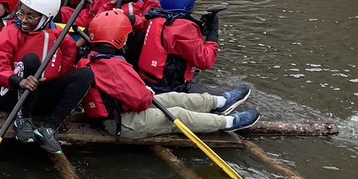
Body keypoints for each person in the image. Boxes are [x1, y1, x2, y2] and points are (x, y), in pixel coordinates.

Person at [79, 10, 259, 138]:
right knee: (179, 114)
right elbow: (142, 100)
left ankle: (219, 102)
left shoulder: (93, 58)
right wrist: (147, 92)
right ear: (119, 38)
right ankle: (229, 123)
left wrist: (144, 91)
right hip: (122, 122)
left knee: (174, 98)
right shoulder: (114, 65)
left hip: (123, 110)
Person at [0, 0, 94, 154]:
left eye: (31, 17)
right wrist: (19, 81)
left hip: (40, 95)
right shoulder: (11, 33)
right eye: (21, 13)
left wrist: (53, 81)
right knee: (31, 60)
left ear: (46, 18)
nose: (24, 20)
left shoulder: (59, 37)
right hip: (15, 95)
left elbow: (67, 63)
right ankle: (23, 121)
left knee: (85, 74)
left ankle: (50, 128)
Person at [130, 0, 221, 93]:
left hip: (148, 80)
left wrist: (199, 27)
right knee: (216, 94)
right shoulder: (183, 28)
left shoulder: (154, 17)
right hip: (168, 87)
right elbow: (205, 60)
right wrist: (213, 33)